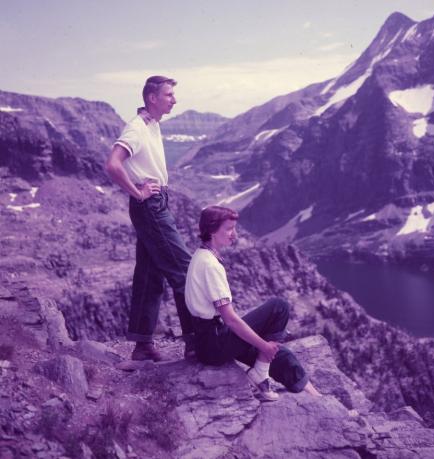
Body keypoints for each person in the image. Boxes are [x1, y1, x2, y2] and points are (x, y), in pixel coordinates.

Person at [185, 206, 320, 400]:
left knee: (282, 355)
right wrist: (264, 346)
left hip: (208, 341)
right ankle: (261, 372)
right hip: (214, 343)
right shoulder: (210, 265)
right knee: (279, 307)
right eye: (229, 229)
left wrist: (266, 346)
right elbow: (230, 320)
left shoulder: (201, 256)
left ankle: (318, 398)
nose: (234, 234)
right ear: (212, 230)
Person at [105, 75, 194, 361]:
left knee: (149, 274)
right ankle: (197, 342)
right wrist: (138, 192)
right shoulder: (136, 129)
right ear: (152, 98)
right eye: (169, 95)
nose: (174, 100)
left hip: (153, 204)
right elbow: (113, 164)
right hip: (150, 206)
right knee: (184, 270)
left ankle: (142, 345)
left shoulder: (151, 125)